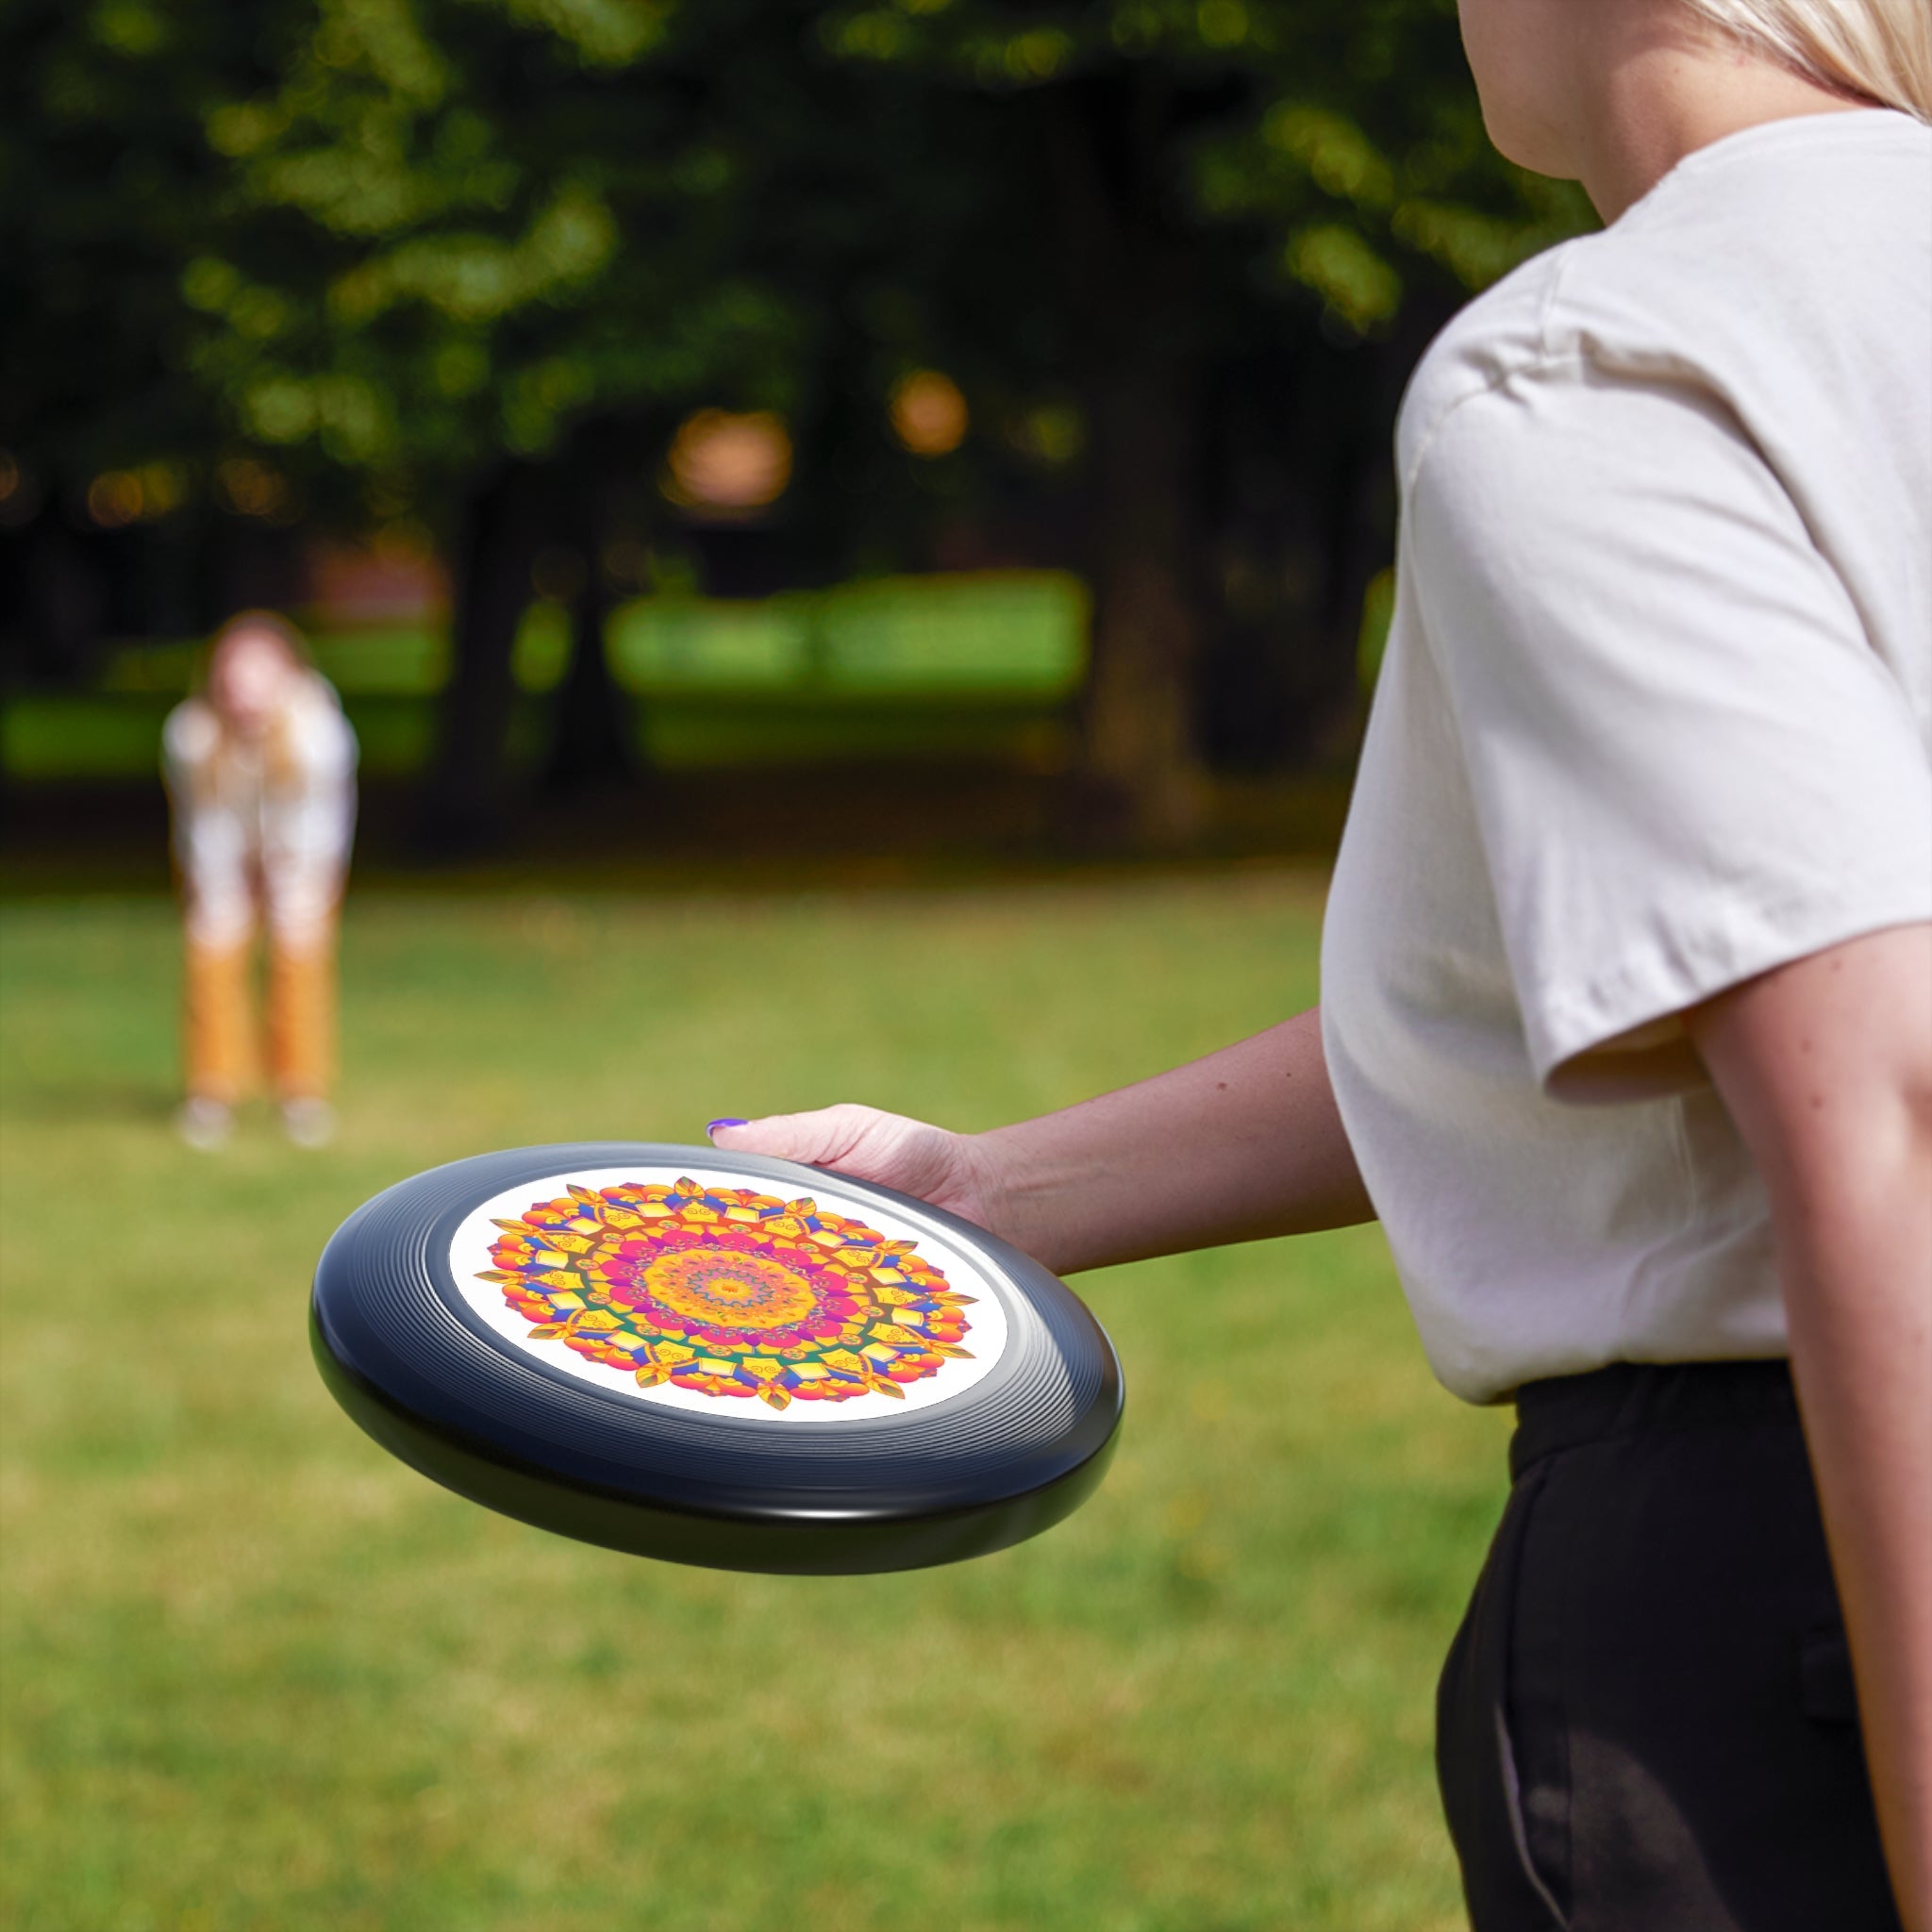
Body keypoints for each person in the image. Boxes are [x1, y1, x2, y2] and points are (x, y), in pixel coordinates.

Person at [708, 2, 1932, 1925]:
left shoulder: (1609, 360)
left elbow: (1883, 1097)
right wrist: (988, 1191)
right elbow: (1650, 985)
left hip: (1795, 1591)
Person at [162, 611, 358, 1150]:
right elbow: (204, 823)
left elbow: (318, 824)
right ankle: (212, 1091)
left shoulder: (319, 733)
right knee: (212, 952)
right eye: (234, 674)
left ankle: (301, 1093)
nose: (244, 690)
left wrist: (287, 881)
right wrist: (224, 888)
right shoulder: (191, 735)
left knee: (299, 959)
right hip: (221, 856)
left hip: (302, 858)